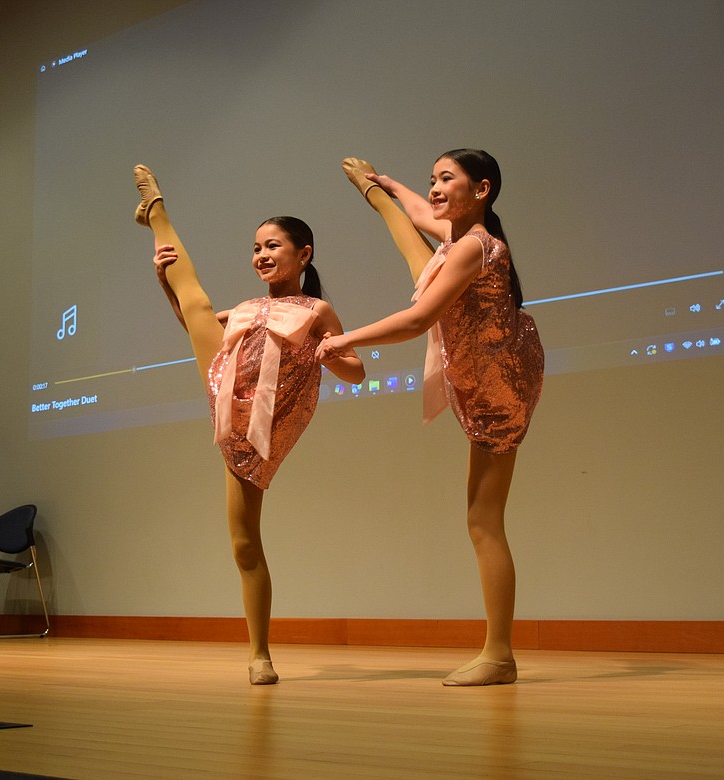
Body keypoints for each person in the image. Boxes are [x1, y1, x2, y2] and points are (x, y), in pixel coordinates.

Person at [318, 150, 543, 686]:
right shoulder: (459, 240)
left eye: (448, 179)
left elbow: (419, 319)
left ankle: (499, 655)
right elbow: (419, 213)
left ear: (482, 190)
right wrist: (386, 185)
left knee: (484, 522)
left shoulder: (474, 247)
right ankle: (498, 653)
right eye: (433, 179)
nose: (436, 188)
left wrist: (343, 339)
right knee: (481, 521)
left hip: (498, 384)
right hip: (486, 374)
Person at [133, 164, 365, 684]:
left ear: (303, 255)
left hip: (264, 424)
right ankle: (157, 215)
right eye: (256, 246)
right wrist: (165, 285)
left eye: (273, 245)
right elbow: (194, 325)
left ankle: (262, 652)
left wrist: (329, 348)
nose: (261, 254)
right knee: (196, 301)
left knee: (244, 544)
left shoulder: (316, 309)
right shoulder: (245, 308)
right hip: (225, 396)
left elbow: (355, 372)